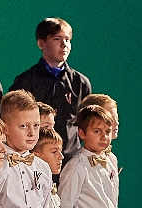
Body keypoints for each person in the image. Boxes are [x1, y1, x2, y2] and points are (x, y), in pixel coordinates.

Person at [9, 18, 91, 160]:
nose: (64, 45)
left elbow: (87, 126)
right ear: (41, 43)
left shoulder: (80, 83)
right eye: (57, 39)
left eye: (67, 39)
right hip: (35, 160)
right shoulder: (25, 82)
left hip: (70, 160)